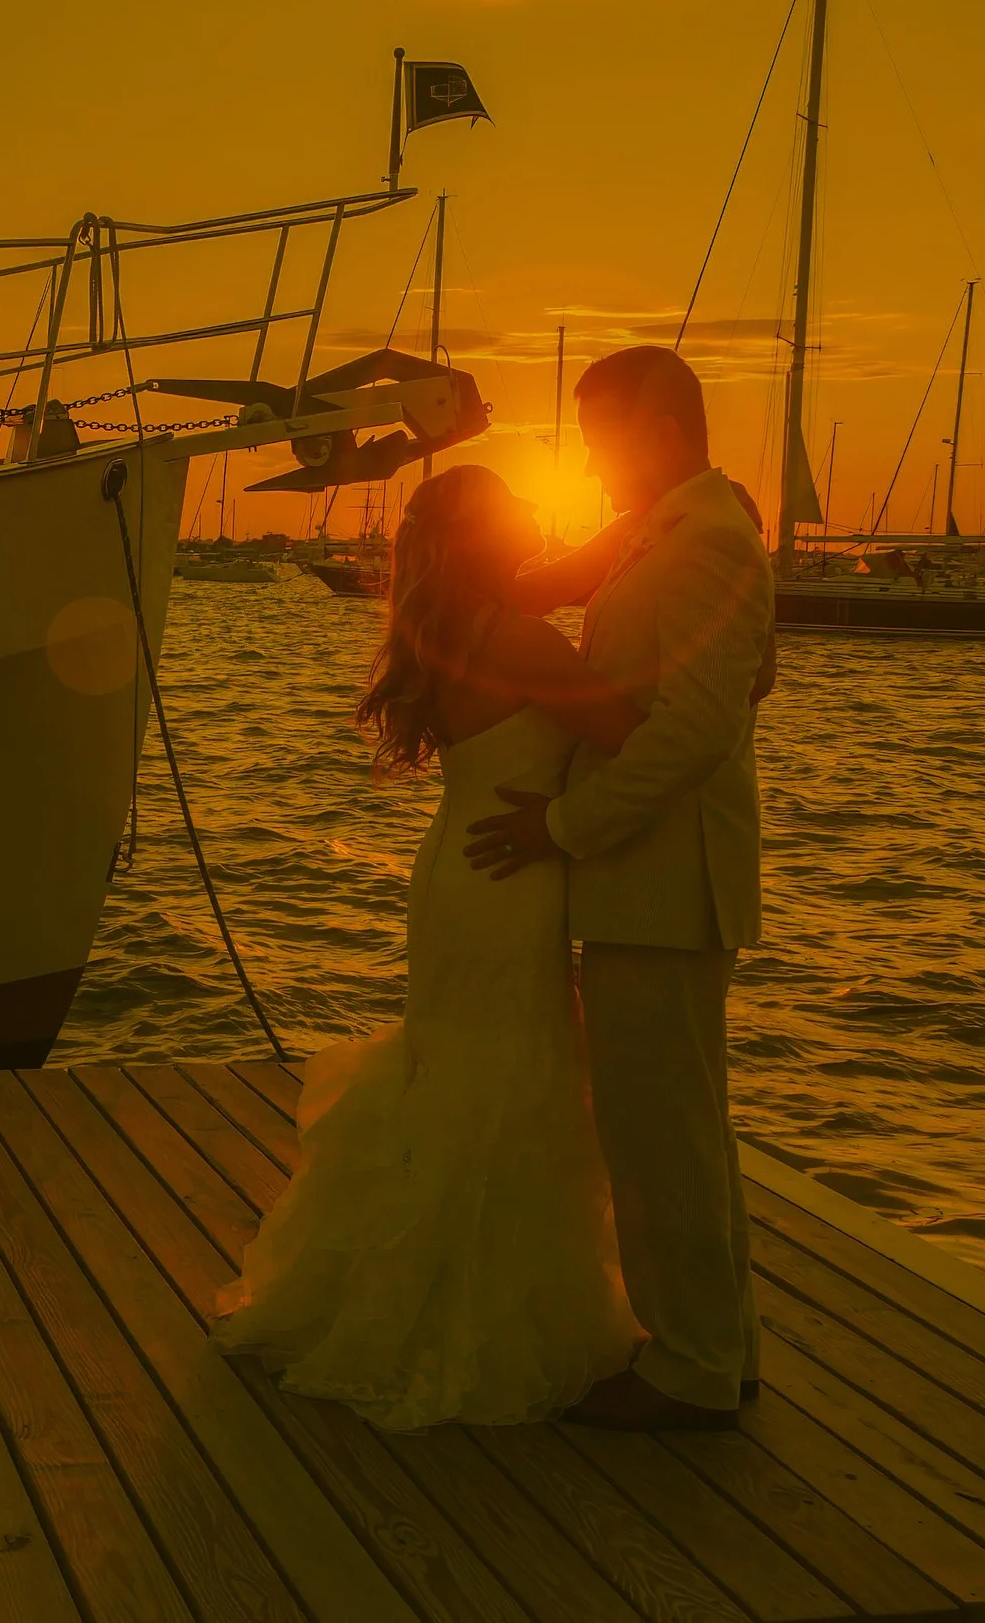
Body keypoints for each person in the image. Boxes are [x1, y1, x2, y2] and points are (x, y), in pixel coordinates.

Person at [209, 461, 646, 1430]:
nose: (537, 508)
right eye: (519, 505)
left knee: (453, 1070)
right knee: (511, 1079)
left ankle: (406, 1289)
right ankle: (475, 1313)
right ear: (488, 536)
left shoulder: (441, 633)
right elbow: (628, 729)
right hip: (511, 876)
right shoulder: (522, 642)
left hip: (455, 870)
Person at [468, 344, 773, 1431]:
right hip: (653, 881)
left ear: (655, 433)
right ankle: (715, 1348)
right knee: (676, 1129)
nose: (592, 467)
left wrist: (561, 826)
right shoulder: (672, 529)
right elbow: (568, 571)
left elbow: (695, 731)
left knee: (663, 1139)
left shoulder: (706, 547)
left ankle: (690, 1370)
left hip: (663, 881)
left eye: (602, 443)